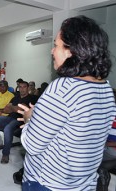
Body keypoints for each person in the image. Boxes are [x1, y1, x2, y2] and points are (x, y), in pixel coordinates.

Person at [18, 15, 116, 191]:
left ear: (72, 51)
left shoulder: (62, 88)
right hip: (83, 184)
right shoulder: (106, 88)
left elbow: (32, 145)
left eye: (56, 45)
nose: (52, 51)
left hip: (48, 184)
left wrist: (29, 119)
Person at [0, 81, 38, 164]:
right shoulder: (16, 97)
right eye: (20, 87)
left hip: (20, 121)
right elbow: (6, 109)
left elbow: (22, 110)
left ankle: (5, 154)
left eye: (24, 87)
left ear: (28, 88)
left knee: (7, 129)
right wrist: (15, 107)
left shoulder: (32, 98)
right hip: (9, 117)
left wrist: (13, 107)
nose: (22, 89)